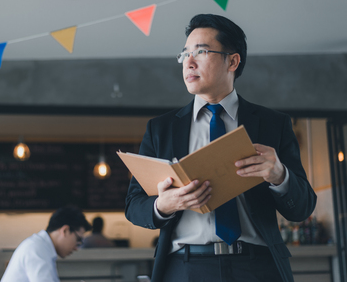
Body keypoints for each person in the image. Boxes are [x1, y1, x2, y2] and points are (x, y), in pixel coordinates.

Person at [125, 14, 317, 282]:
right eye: (184, 54)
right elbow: (134, 205)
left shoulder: (274, 124)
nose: (188, 63)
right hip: (185, 267)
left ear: (233, 61)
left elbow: (303, 207)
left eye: (201, 52)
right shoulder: (161, 128)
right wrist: (164, 205)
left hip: (258, 267)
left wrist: (279, 176)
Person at [0, 206, 91, 282]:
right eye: (78, 240)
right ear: (65, 230)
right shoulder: (37, 248)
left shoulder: (43, 247)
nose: (77, 248)